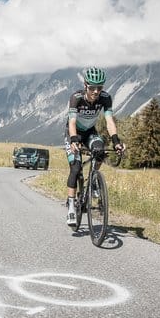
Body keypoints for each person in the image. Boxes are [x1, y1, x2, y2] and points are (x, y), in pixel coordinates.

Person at [65, 67, 125, 226]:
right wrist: (73, 140)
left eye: (100, 87)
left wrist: (116, 141)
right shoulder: (76, 98)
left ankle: (94, 180)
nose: (96, 91)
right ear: (85, 85)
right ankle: (71, 206)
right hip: (74, 133)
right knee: (76, 168)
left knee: (100, 151)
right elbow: (71, 122)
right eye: (92, 87)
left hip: (91, 132)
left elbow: (109, 121)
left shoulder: (105, 98)